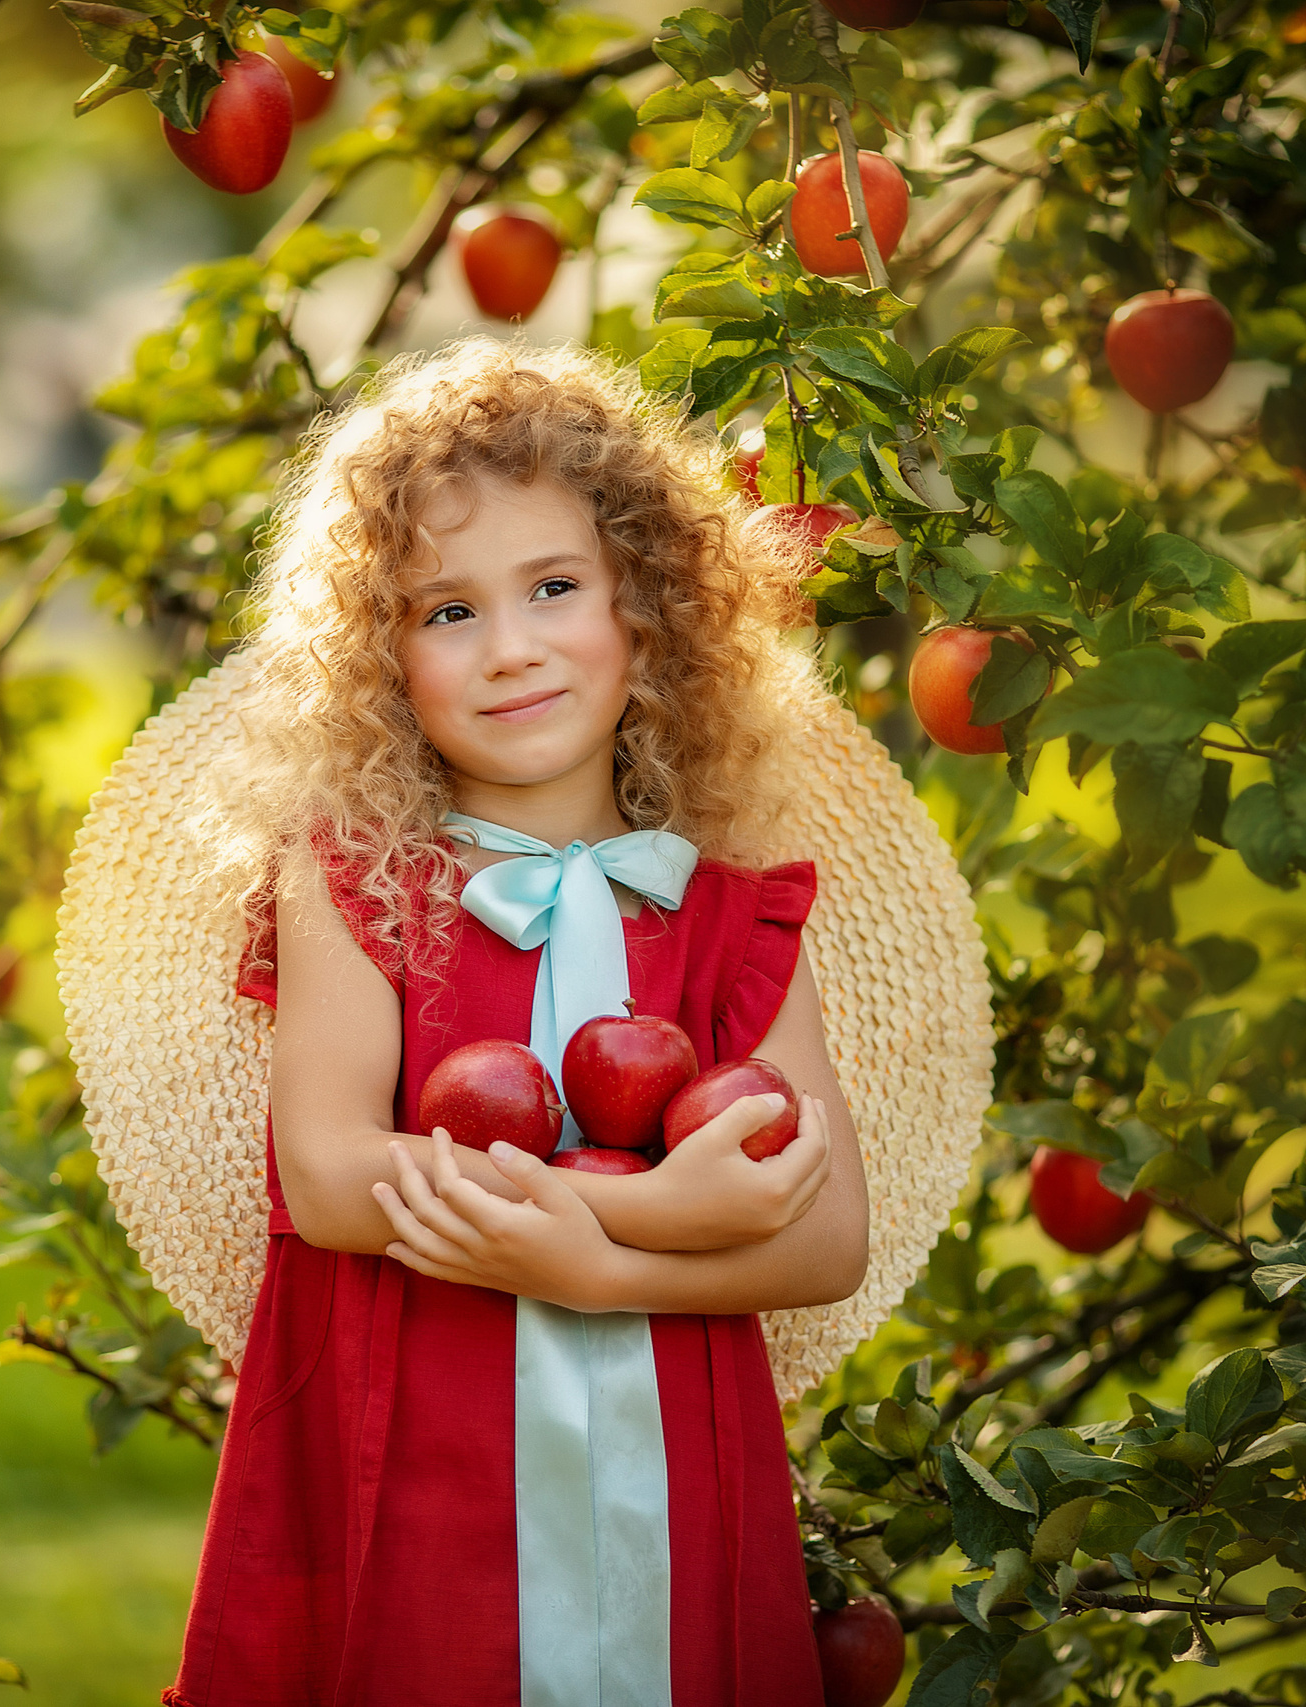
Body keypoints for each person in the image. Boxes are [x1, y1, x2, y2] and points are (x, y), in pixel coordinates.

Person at [162, 337, 869, 1707]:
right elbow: (330, 1177)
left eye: (555, 587)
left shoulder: (733, 916)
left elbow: (826, 1238)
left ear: (648, 608)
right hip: (421, 1456)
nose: (513, 649)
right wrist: (662, 1215)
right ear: (379, 657)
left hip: (676, 1467)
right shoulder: (355, 883)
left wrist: (603, 1275)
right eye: (446, 612)